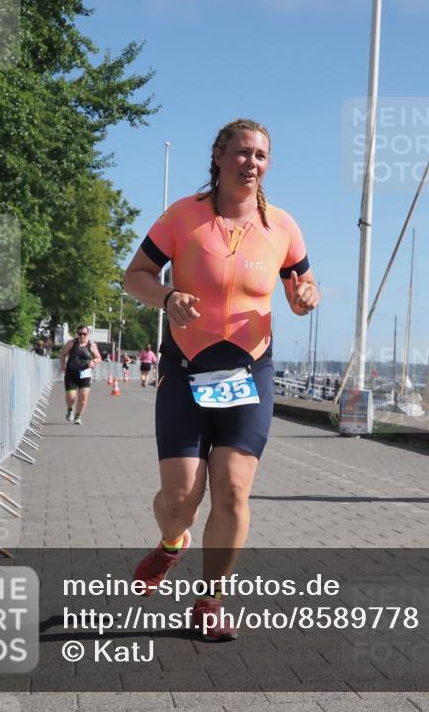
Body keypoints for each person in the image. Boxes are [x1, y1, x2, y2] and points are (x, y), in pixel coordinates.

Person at [123, 118, 318, 641]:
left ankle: (211, 600)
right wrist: (166, 297)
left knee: (232, 488)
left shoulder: (282, 226)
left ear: (267, 165)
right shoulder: (182, 217)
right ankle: (170, 544)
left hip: (250, 369)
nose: (251, 162)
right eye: (242, 152)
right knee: (182, 499)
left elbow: (304, 282)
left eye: (260, 155)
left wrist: (306, 297)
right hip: (187, 368)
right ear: (219, 156)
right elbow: (134, 275)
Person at [59, 326, 102, 425]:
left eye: (84, 334)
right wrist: (62, 366)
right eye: (80, 334)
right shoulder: (72, 343)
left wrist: (94, 361)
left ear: (88, 334)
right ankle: (70, 409)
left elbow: (99, 358)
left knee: (83, 396)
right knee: (71, 396)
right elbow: (62, 354)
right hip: (71, 373)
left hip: (85, 374)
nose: (82, 336)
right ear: (77, 333)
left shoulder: (92, 345)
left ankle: (78, 416)